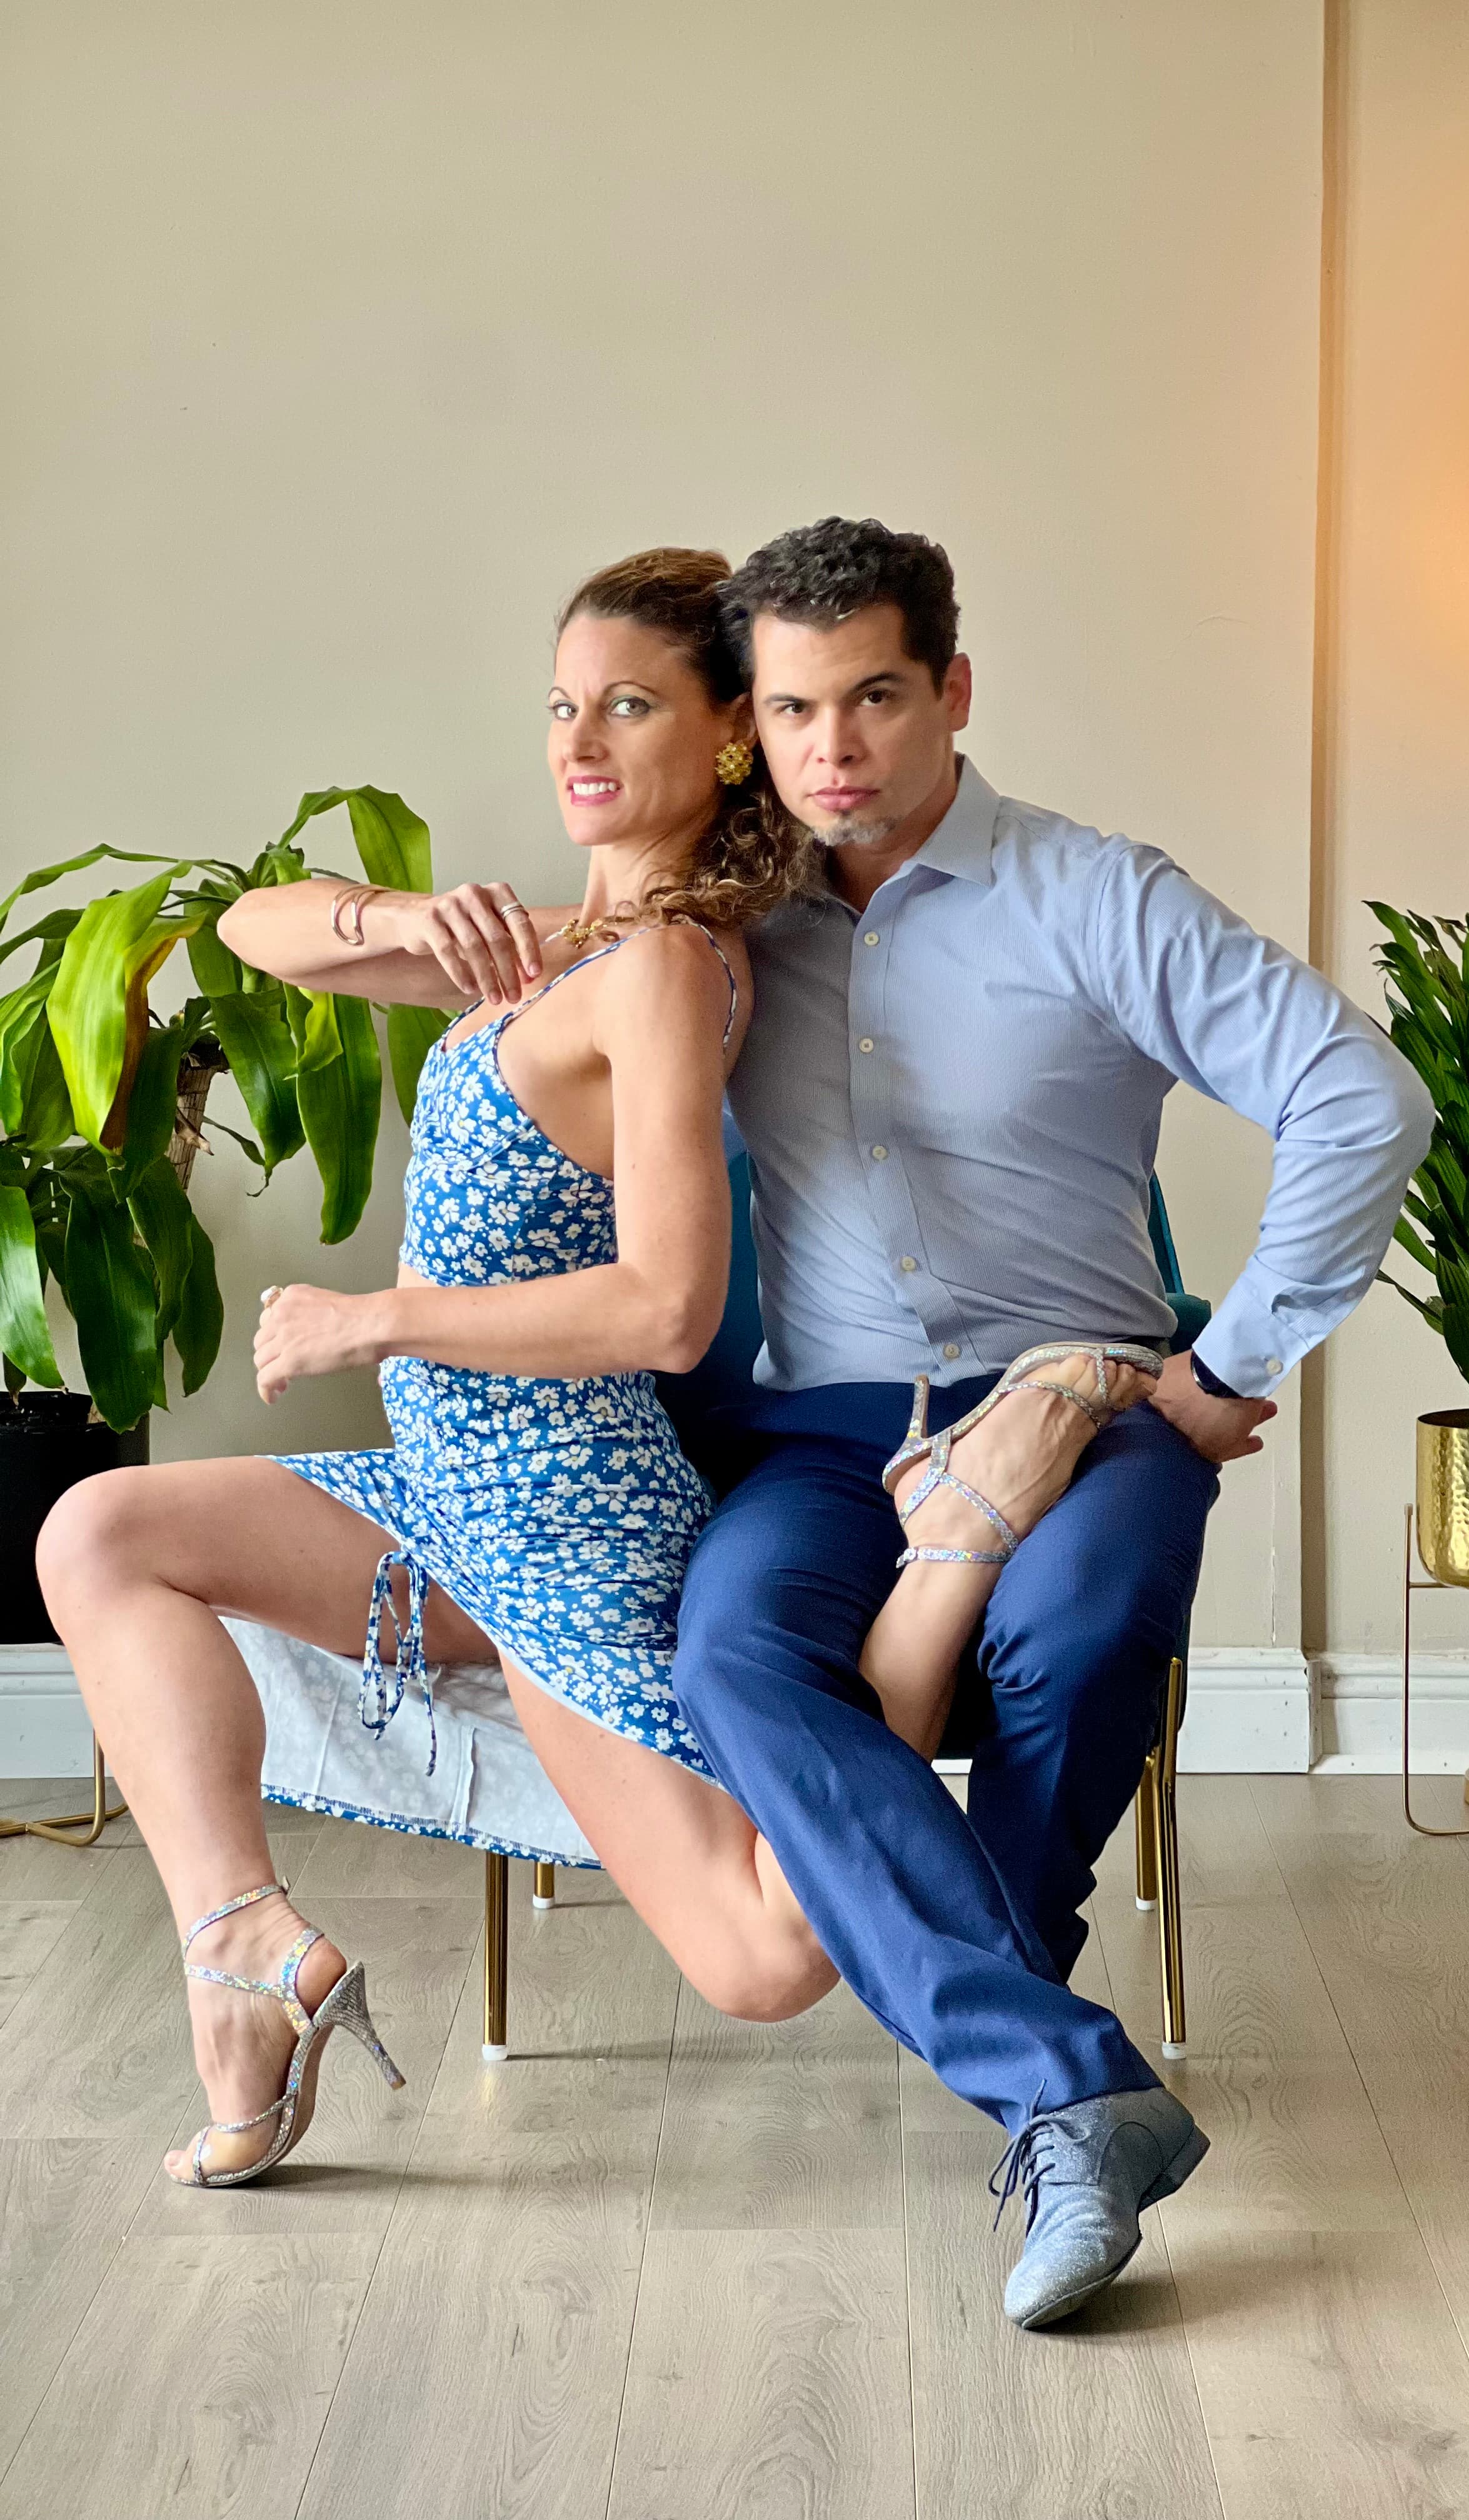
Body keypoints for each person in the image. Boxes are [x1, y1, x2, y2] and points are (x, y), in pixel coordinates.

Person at [372, 518, 1436, 2329]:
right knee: (739, 1658)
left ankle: (1038, 2089)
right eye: (792, 709)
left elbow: (1364, 1097)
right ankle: (1063, 2090)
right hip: (820, 1437)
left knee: (1077, 1636)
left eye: (873, 694)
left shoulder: (1097, 896)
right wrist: (403, 917)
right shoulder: (710, 931)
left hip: (1081, 1406)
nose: (836, 747)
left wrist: (1217, 1373)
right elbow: (298, 941)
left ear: (952, 689)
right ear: (748, 733)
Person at [35, 544, 1157, 2198]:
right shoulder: (567, 942)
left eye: (627, 704)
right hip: (448, 1497)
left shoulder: (663, 973)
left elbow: (666, 1310)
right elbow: (251, 933)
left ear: (719, 738)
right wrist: (397, 916)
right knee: (98, 1536)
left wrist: (379, 1321)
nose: (577, 740)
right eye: (562, 704)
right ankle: (246, 1962)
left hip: (563, 1525)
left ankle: (955, 1541)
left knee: (761, 1959)